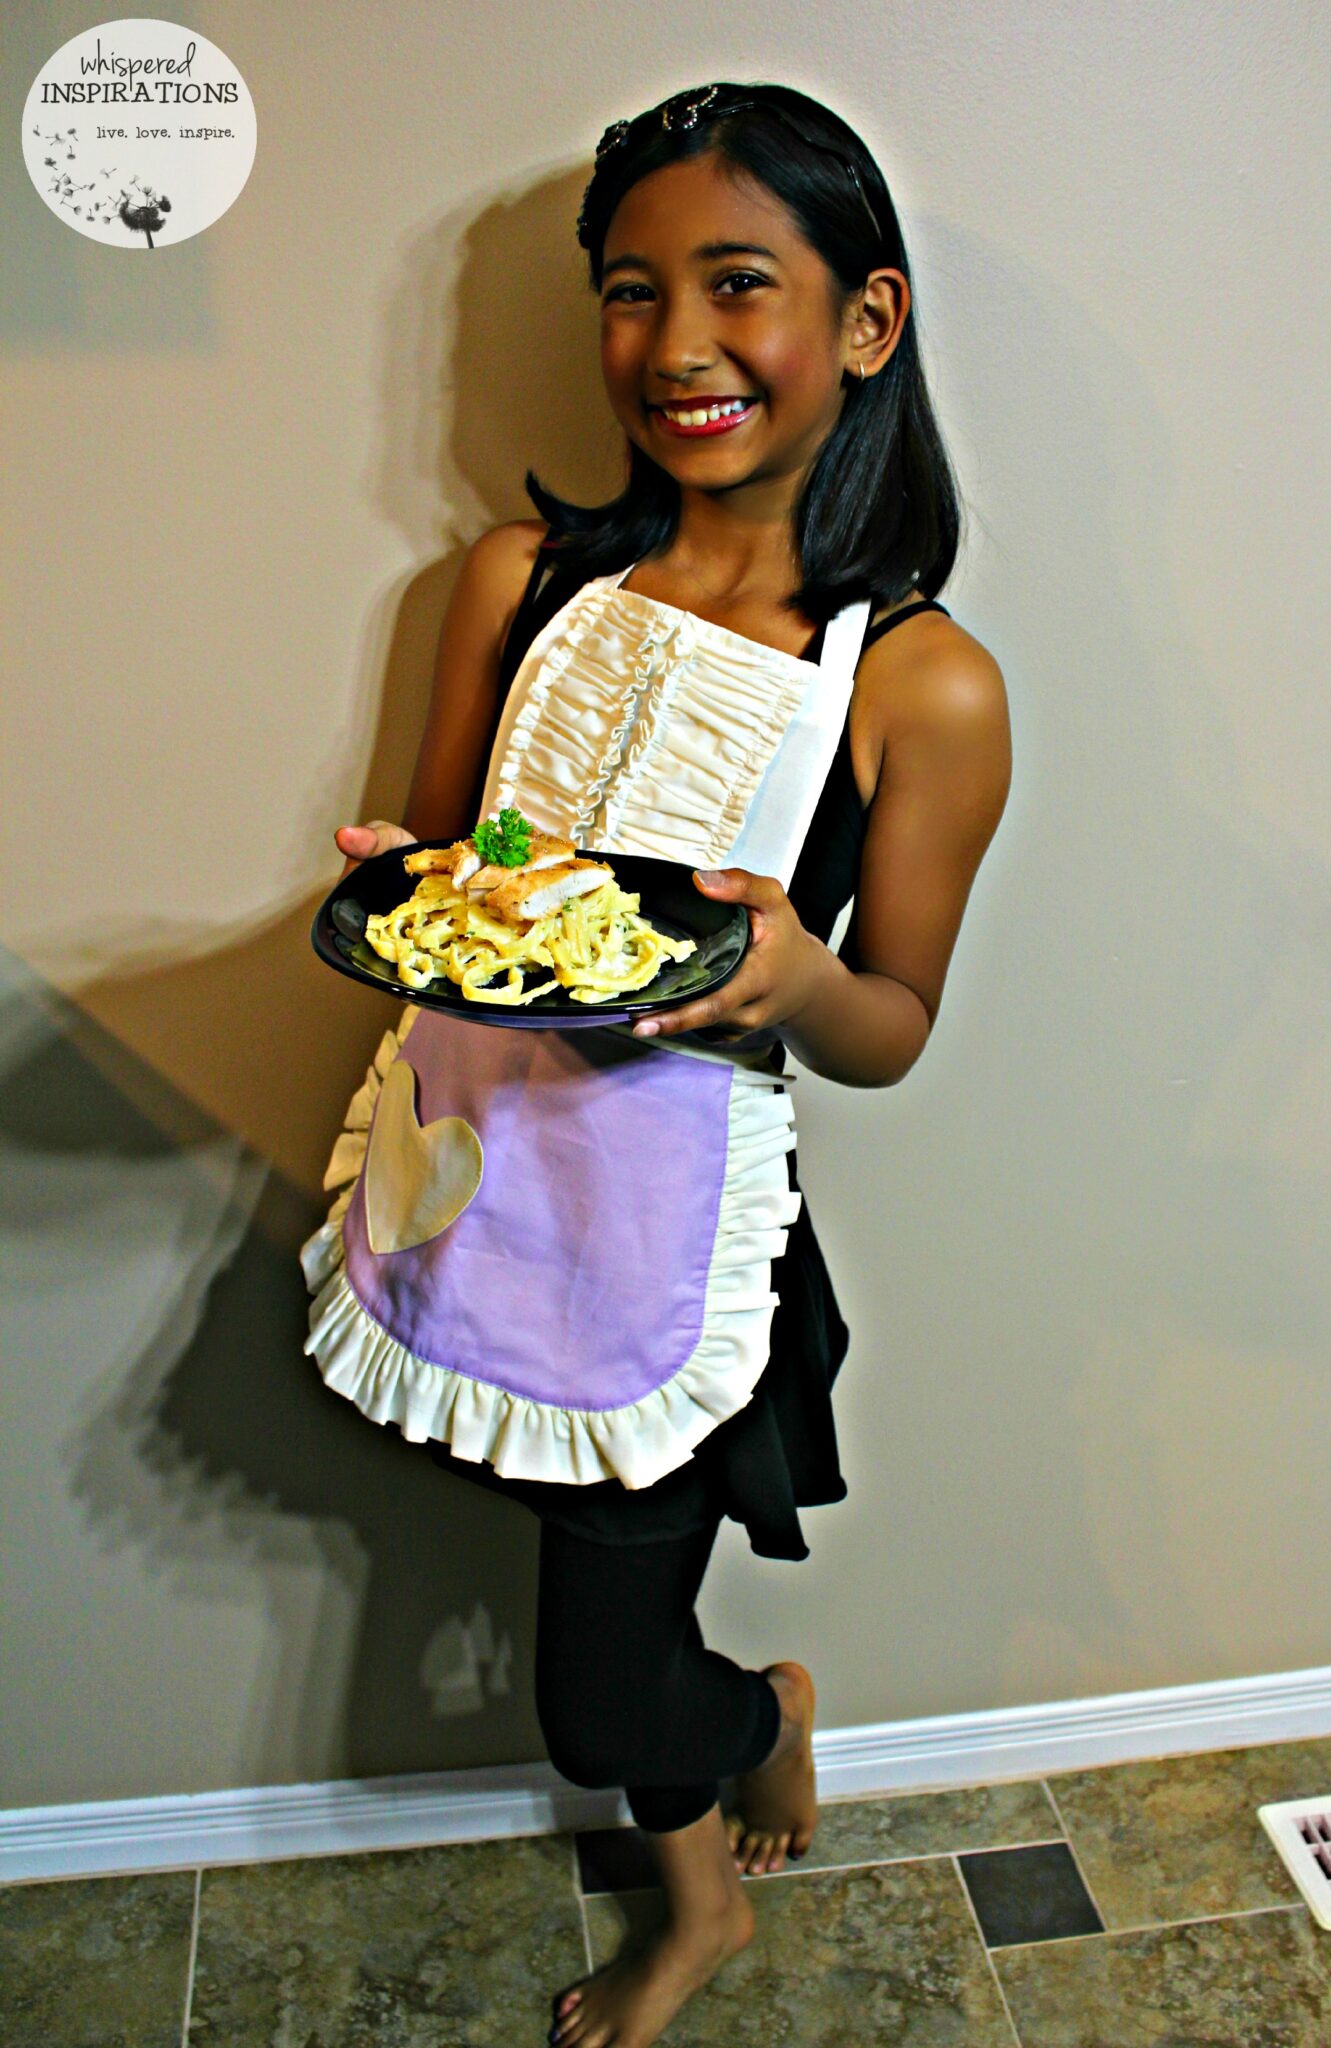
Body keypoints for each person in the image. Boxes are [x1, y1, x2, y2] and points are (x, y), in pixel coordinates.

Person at [307, 81, 1011, 2048]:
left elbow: (892, 1025)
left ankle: (710, 1841)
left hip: (670, 1241)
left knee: (597, 1689)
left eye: (736, 285)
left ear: (862, 320)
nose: (674, 346)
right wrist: (400, 878)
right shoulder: (515, 585)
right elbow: (441, 855)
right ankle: (725, 1800)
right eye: (632, 290)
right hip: (469, 1181)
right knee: (565, 1601)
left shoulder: (911, 677)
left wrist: (792, 977)